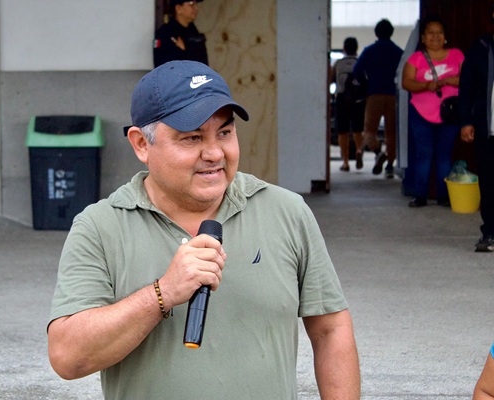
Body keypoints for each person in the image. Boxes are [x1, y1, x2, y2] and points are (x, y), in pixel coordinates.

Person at [47, 60, 360, 399]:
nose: (214, 153)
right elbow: (68, 358)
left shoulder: (286, 212)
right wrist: (163, 293)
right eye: (192, 137)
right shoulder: (100, 227)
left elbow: (330, 330)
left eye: (225, 133)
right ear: (141, 144)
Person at [402, 15, 464, 208]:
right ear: (423, 37)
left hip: (450, 113)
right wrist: (426, 85)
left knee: (445, 155)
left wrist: (448, 81)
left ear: (445, 36)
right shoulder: (415, 58)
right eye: (431, 33)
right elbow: (406, 83)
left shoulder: (457, 55)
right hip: (421, 114)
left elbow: (468, 79)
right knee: (424, 155)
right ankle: (420, 195)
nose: (435, 36)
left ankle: (443, 196)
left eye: (439, 32)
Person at [458, 5, 494, 252]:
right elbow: (466, 88)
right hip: (486, 128)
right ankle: (489, 233)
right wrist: (466, 121)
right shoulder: (480, 48)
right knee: (489, 182)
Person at [353, 19, 403, 178]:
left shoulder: (370, 51)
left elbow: (357, 70)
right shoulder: (398, 52)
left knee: (369, 131)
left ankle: (378, 152)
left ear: (376, 33)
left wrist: (365, 83)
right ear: (391, 32)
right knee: (391, 132)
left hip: (374, 93)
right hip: (393, 95)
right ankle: (390, 165)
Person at [331, 37, 365, 171]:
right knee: (358, 130)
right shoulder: (360, 62)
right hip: (358, 100)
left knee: (342, 132)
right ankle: (359, 150)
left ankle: (345, 162)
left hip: (342, 99)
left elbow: (331, 79)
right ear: (356, 49)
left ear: (344, 49)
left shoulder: (338, 64)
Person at [153, 0, 208, 68]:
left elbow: (203, 65)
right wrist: (179, 51)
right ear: (178, 8)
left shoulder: (195, 33)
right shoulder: (165, 33)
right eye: (191, 4)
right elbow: (161, 65)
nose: (196, 8)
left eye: (196, 4)